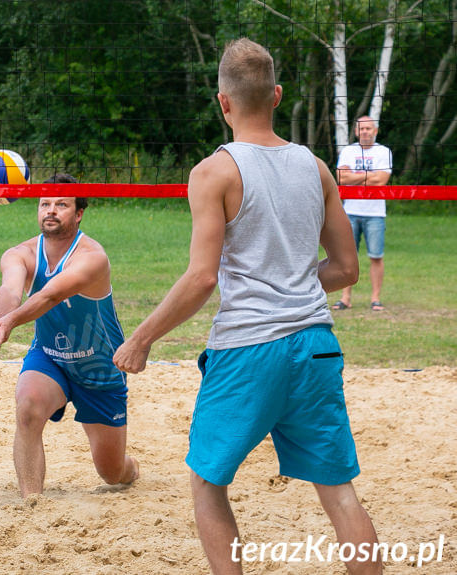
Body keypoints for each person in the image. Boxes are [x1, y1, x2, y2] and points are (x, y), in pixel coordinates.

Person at [113, 39, 381, 574]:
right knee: (338, 489)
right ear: (277, 95)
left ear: (223, 102)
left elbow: (200, 278)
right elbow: (347, 270)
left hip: (249, 348)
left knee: (209, 482)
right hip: (315, 345)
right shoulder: (317, 167)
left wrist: (141, 338)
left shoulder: (214, 172)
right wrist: (292, 284)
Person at [0, 174, 139, 497]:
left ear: (78, 214)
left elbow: (49, 296)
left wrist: (10, 322)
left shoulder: (93, 257)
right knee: (27, 407)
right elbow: (10, 289)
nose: (51, 210)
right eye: (45, 203)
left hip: (99, 367)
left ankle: (130, 468)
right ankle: (31, 503)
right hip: (50, 356)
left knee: (112, 473)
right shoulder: (20, 253)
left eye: (62, 204)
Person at [332, 115, 393, 312]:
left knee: (376, 256)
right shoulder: (349, 151)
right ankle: (345, 298)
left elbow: (381, 180)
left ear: (375, 130)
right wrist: (369, 176)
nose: (365, 131)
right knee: (348, 257)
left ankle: (375, 298)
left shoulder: (383, 152)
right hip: (350, 211)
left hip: (375, 213)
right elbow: (341, 178)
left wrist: (355, 177)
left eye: (369, 128)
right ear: (357, 131)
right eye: (362, 129)